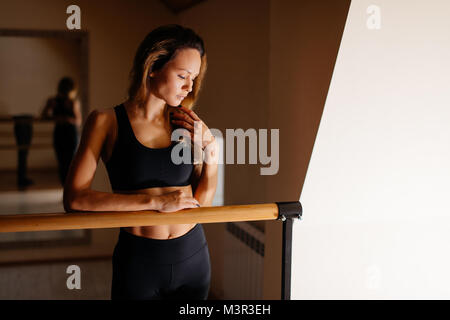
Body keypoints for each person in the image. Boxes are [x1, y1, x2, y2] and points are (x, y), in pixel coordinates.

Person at [63, 24, 218, 300]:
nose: (189, 86)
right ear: (153, 66)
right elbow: (75, 198)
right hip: (139, 262)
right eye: (182, 75)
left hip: (194, 257)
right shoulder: (105, 122)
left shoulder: (186, 124)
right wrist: (155, 203)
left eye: (193, 78)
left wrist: (211, 150)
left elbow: (202, 204)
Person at [40, 77, 82, 185]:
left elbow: (78, 120)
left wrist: (65, 119)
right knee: (61, 162)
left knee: (71, 162)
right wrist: (56, 117)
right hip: (59, 132)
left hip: (70, 133)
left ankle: (70, 187)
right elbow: (43, 116)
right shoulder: (53, 101)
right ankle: (65, 187)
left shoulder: (73, 102)